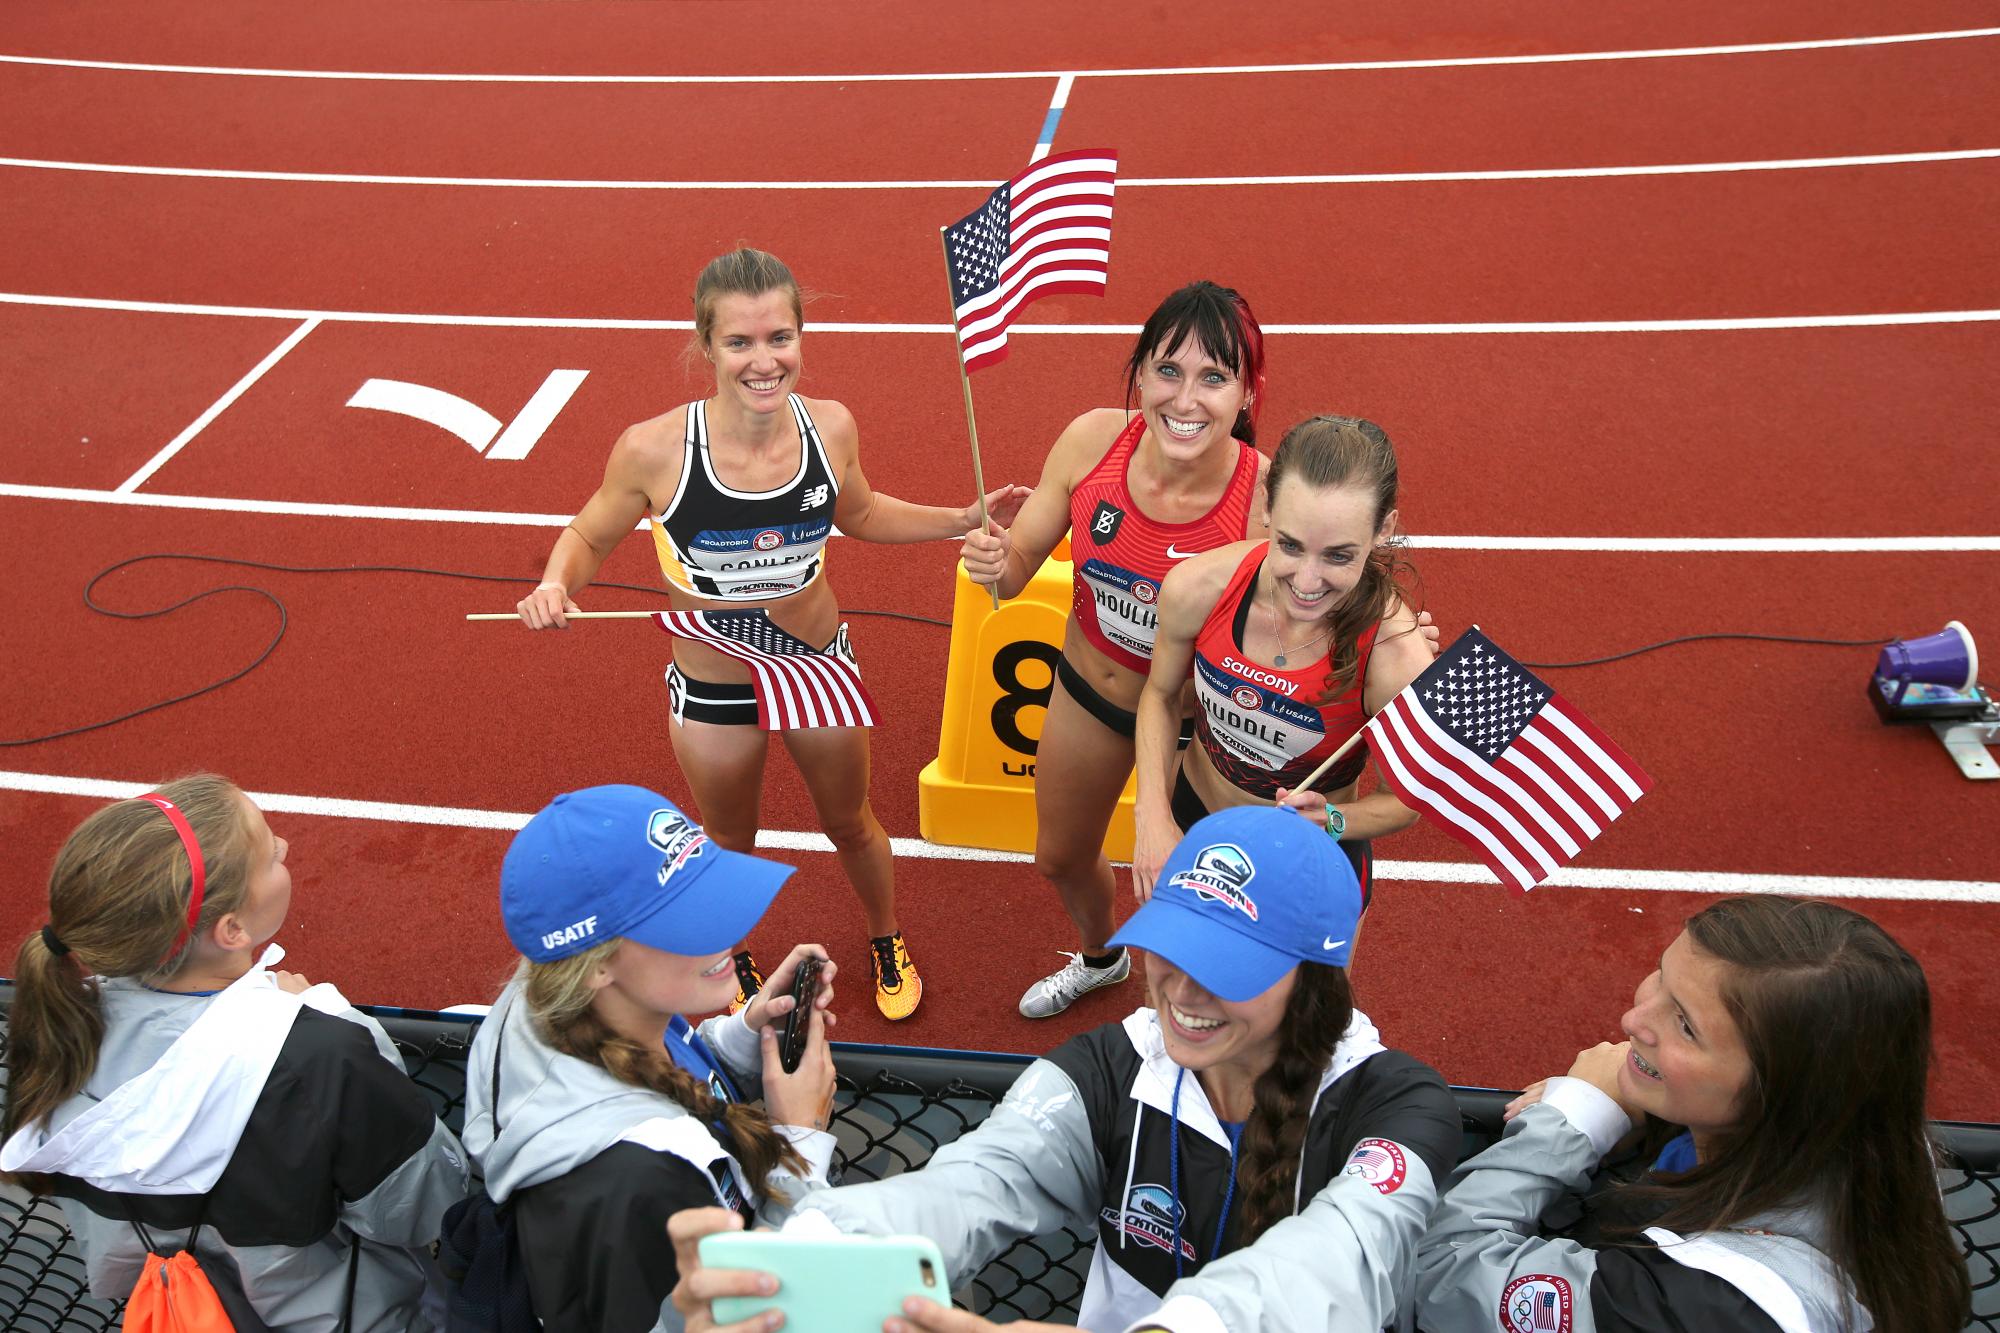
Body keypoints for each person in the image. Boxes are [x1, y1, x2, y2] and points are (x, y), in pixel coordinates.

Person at [670, 805, 1463, 1333]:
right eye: (1172, 944)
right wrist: (812, 1250)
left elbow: (1331, 1261)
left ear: (1315, 976)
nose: (1184, 990)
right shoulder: (1107, 1069)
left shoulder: (1397, 1106)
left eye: (1227, 964)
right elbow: (972, 1183)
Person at [516, 247, 1027, 1020]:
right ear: (706, 345)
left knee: (850, 821)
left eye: (779, 338)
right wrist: (557, 582)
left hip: (816, 664)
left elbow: (860, 511)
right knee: (727, 838)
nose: (765, 361)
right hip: (715, 686)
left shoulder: (831, 426)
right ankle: (734, 951)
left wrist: (957, 518)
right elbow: (588, 535)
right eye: (740, 342)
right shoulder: (653, 449)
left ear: (800, 337)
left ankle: (885, 936)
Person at [0, 774, 468, 1331]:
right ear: (232, 929)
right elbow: (427, 1206)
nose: (285, 847)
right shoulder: (322, 1055)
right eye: (270, 854)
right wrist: (343, 1024)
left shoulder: (57, 1034)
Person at [1416, 895, 1972, 1333]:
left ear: (1781, 1090)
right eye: (1661, 976)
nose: (1634, 1019)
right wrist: (1655, 1112)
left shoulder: (1702, 1305)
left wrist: (1575, 1119)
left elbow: (1439, 1274)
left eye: (1685, 1025)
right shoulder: (1874, 1142)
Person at [959, 280, 1270, 1019]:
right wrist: (993, 560)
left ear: (1246, 396)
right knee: (1059, 856)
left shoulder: (1264, 498)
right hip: (1089, 695)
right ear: (1139, 373)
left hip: (1197, 731)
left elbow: (1308, 619)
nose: (1185, 399)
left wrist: (1392, 633)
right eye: (1167, 370)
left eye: (1213, 377)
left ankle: (1190, 1013)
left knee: (1193, 890)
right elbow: (1016, 570)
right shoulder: (1092, 441)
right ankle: (1103, 958)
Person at [462, 784, 839, 1333]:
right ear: (596, 965)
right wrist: (800, 1140)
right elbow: (770, 1309)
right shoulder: (644, 1186)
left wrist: (746, 1035)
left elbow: (659, 1071)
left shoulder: (543, 999)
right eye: (680, 917)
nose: (729, 930)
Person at [1132, 414, 1431, 917]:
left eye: (1338, 556)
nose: (1307, 582)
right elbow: (1160, 696)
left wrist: (1332, 820)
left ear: (1384, 529)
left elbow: (1406, 800)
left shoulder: (1395, 657)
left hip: (1311, 861)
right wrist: (1153, 816)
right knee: (1173, 969)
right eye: (1290, 546)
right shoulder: (1198, 588)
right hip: (1195, 821)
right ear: (1267, 506)